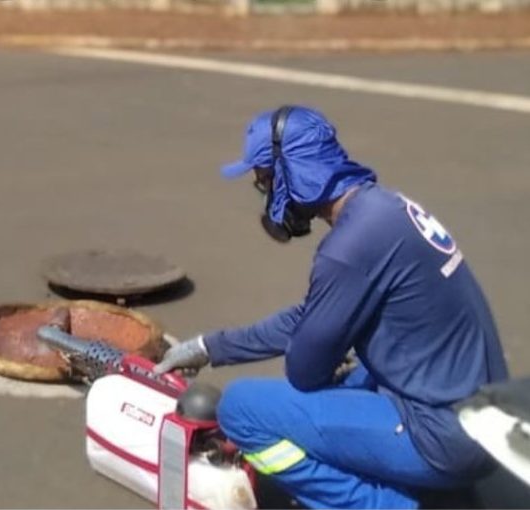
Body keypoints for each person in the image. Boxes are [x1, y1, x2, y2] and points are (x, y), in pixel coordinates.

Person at [153, 105, 509, 508]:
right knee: (354, 376)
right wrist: (209, 347)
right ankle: (443, 494)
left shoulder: (347, 249)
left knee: (242, 410)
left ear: (294, 169)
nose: (266, 191)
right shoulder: (386, 210)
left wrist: (324, 360)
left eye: (267, 179)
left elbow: (305, 371)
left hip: (444, 439)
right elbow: (313, 317)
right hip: (488, 425)